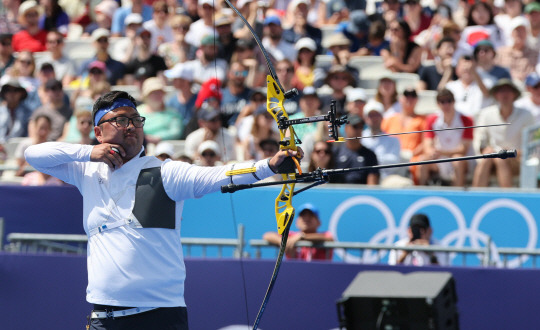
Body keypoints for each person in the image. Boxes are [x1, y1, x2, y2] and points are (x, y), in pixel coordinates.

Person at [24, 90, 301, 330]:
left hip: (159, 316)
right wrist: (88, 152)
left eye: (135, 119)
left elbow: (220, 175)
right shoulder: (85, 170)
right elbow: (33, 154)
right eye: (120, 120)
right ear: (99, 132)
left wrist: (270, 166)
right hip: (104, 317)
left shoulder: (165, 172)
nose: (131, 126)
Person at [472, 79, 533, 188]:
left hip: (517, 159)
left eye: (508, 91)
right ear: (496, 95)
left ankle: (506, 199)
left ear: (514, 94)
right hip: (491, 158)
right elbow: (480, 140)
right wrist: (486, 150)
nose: (505, 94)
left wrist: (513, 153)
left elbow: (531, 145)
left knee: (500, 159)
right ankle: (475, 198)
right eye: (501, 91)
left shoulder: (526, 115)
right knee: (487, 160)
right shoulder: (486, 114)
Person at [419, 89, 473, 186]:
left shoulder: (466, 120)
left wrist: (442, 153)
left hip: (459, 159)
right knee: (422, 160)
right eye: (442, 102)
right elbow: (427, 143)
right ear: (438, 104)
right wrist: (431, 152)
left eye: (449, 101)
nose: (446, 105)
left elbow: (463, 150)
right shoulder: (432, 119)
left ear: (454, 102)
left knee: (458, 160)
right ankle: (420, 195)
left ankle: (458, 194)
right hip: (440, 159)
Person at [263, 203, 334, 261]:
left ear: (319, 222)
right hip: (294, 274)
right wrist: (283, 242)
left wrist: (302, 236)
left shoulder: (324, 235)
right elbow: (267, 235)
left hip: (318, 274)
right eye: (303, 216)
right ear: (297, 222)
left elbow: (329, 238)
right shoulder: (291, 236)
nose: (306, 219)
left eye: (311, 216)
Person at [333, 114, 379, 184]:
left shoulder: (370, 155)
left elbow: (372, 184)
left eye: (361, 127)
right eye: (355, 127)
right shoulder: (336, 153)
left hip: (361, 194)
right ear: (346, 128)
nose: (358, 130)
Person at [137, 77, 183, 144]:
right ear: (146, 95)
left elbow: (176, 132)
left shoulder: (173, 113)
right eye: (154, 93)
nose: (158, 95)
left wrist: (158, 138)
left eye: (160, 92)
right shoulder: (137, 112)